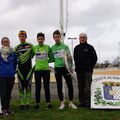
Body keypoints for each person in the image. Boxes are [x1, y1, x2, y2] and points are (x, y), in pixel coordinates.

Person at [51, 30, 77, 109]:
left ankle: (71, 103)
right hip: (57, 68)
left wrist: (71, 67)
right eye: (55, 37)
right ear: (53, 38)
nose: (57, 38)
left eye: (58, 37)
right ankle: (62, 103)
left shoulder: (65, 47)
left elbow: (70, 58)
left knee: (70, 85)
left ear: (60, 37)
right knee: (59, 86)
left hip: (66, 68)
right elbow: (51, 59)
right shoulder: (52, 48)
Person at [74, 33, 97, 108]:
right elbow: (75, 59)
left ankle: (88, 102)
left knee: (88, 87)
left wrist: (91, 67)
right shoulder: (76, 48)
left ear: (86, 38)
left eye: (83, 37)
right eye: (81, 37)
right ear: (79, 38)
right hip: (79, 71)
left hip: (88, 71)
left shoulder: (90, 47)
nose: (82, 38)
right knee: (80, 87)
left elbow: (95, 58)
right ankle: (82, 102)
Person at [33, 32, 53, 109]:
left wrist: (46, 62)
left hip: (46, 70)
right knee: (38, 87)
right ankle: (37, 104)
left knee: (46, 87)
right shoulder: (34, 48)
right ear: (37, 39)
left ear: (44, 39)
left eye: (42, 39)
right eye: (39, 39)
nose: (40, 40)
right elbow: (31, 56)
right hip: (37, 70)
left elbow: (51, 57)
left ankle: (48, 103)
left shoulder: (47, 47)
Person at [15, 30, 34, 110]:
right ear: (19, 37)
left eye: (23, 36)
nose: (22, 38)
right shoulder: (16, 47)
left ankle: (27, 104)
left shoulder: (30, 46)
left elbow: (32, 55)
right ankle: (22, 104)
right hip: (20, 70)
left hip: (29, 70)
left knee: (28, 87)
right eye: (20, 36)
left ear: (26, 37)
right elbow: (16, 58)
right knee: (21, 87)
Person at [0, 37, 17, 116]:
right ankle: (3, 109)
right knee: (3, 93)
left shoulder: (13, 52)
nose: (6, 42)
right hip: (2, 75)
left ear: (9, 42)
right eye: (4, 41)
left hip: (11, 75)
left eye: (7, 41)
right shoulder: (0, 52)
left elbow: (15, 63)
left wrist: (13, 71)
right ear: (2, 43)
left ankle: (8, 108)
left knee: (8, 93)